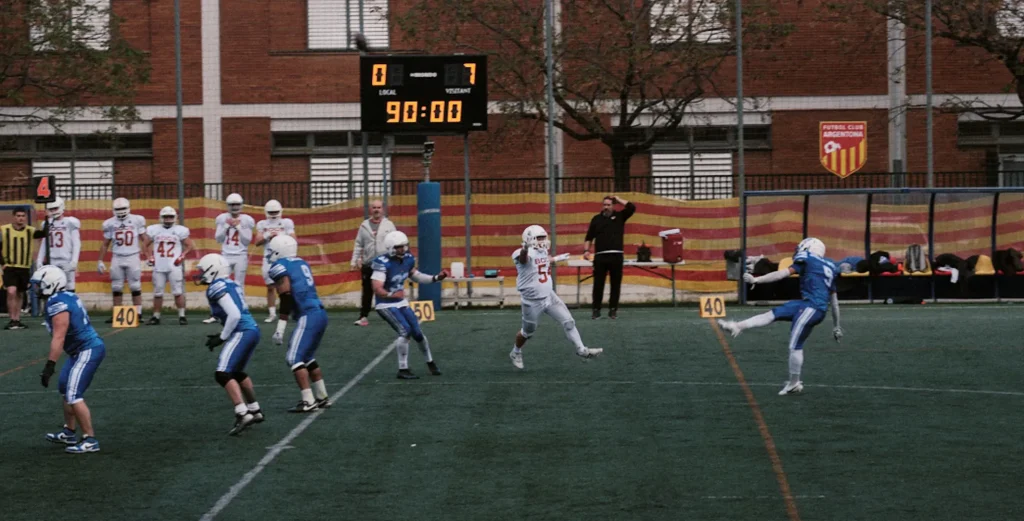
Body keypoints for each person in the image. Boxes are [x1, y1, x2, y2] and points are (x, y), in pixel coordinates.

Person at [718, 238, 844, 396]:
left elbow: (782, 274)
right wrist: (836, 325)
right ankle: (737, 326)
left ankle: (794, 383)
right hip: (810, 305)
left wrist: (757, 279)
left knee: (795, 345)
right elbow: (834, 301)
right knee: (772, 314)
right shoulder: (831, 266)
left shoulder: (807, 259)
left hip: (812, 308)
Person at [34, 265, 106, 453]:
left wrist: (50, 365)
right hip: (80, 350)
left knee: (74, 395)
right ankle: (69, 432)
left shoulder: (57, 303)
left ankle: (90, 439)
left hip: (87, 349)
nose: (36, 288)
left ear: (50, 283)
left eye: (39, 284)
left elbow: (59, 336)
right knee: (65, 388)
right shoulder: (67, 296)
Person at [510, 225, 603, 370]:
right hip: (532, 301)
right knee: (527, 332)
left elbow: (544, 261)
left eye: (543, 238)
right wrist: (525, 248)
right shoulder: (520, 252)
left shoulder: (542, 252)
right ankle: (516, 352)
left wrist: (557, 259)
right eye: (539, 238)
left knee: (569, 321)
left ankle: (582, 350)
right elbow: (524, 260)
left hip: (549, 296)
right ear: (529, 239)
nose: (542, 241)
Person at [195, 253, 265, 435]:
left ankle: (242, 413)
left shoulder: (216, 286)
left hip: (241, 330)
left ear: (213, 270)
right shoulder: (231, 283)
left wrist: (222, 337)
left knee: (222, 373)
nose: (201, 274)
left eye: (203, 271)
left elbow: (234, 315)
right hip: (252, 330)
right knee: (237, 372)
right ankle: (254, 409)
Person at [267, 234, 331, 412]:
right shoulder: (301, 262)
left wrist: (280, 328)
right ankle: (322, 397)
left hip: (308, 314)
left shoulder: (280, 266)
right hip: (319, 312)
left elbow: (286, 296)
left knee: (293, 358)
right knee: (307, 357)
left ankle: (308, 401)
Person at [371, 231, 447, 379]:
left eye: (404, 246)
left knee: (417, 333)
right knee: (405, 331)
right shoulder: (381, 263)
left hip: (400, 302)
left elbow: (416, 276)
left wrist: (436, 278)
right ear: (391, 248)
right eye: (399, 247)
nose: (403, 250)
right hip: (385, 304)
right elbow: (377, 288)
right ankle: (403, 368)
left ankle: (430, 362)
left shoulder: (408, 259)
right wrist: (391, 295)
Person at [583, 195, 635, 320]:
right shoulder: (596, 219)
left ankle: (613, 310)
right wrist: (586, 250)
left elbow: (632, 207)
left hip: (616, 255)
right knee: (598, 284)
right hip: (600, 257)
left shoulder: (620, 216)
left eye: (609, 205)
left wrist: (618, 198)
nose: (606, 207)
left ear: (613, 206)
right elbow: (589, 237)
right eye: (604, 205)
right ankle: (596, 310)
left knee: (615, 284)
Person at [205, 193, 255, 324]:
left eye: (237, 204)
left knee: (239, 284)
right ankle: (216, 313)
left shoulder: (246, 219)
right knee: (219, 283)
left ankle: (241, 310)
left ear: (241, 205)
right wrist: (227, 226)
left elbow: (247, 240)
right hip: (226, 254)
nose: (235, 207)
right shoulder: (222, 219)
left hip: (240, 255)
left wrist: (238, 227)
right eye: (232, 205)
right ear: (228, 206)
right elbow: (218, 238)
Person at [97, 198, 147, 322]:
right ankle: (117, 313)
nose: (120, 211)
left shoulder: (136, 220)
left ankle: (138, 314)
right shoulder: (109, 223)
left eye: (123, 208)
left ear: (128, 208)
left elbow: (145, 239)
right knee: (116, 287)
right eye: (118, 209)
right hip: (117, 257)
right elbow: (105, 244)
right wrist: (100, 260)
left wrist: (148, 255)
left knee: (135, 286)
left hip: (133, 256)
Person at [143, 207, 194, 325]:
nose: (168, 219)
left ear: (175, 217)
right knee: (158, 293)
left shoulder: (180, 230)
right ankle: (156, 316)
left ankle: (182, 316)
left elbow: (190, 245)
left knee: (177, 292)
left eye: (170, 217)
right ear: (161, 217)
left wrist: (182, 256)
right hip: (159, 266)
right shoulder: (154, 230)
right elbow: (145, 245)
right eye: (166, 217)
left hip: (173, 266)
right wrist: (149, 257)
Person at [350, 199, 396, 327]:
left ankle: (391, 314)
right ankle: (363, 316)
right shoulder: (364, 225)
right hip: (368, 264)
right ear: (371, 209)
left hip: (385, 264)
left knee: (386, 289)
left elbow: (395, 242)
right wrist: (354, 260)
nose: (376, 210)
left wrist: (395, 259)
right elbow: (358, 244)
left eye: (379, 207)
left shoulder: (389, 225)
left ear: (383, 209)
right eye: (374, 207)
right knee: (367, 291)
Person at [254, 199, 295, 323]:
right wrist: (267, 236)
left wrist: (281, 237)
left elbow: (294, 239)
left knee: (285, 286)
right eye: (271, 212)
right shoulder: (262, 224)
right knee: (270, 286)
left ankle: (288, 311)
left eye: (275, 212)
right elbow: (257, 242)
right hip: (269, 257)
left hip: (283, 257)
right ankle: (272, 313)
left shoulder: (286, 223)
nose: (273, 214)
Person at [0, 208, 39, 329]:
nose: (20, 218)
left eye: (23, 216)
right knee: (11, 291)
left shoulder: (30, 231)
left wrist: (50, 218)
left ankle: (17, 319)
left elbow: (45, 233)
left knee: (20, 293)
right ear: (14, 217)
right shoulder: (4, 230)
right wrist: (2, 263)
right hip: (10, 267)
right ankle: (12, 319)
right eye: (18, 216)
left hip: (24, 267)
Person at [36, 196, 81, 292]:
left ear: (61, 207)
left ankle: (69, 307)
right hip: (52, 261)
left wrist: (74, 261)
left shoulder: (70, 222)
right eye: (51, 209)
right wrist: (39, 259)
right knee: (53, 288)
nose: (53, 211)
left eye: (55, 208)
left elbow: (76, 243)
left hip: (66, 260)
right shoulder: (47, 223)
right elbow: (44, 243)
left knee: (69, 288)